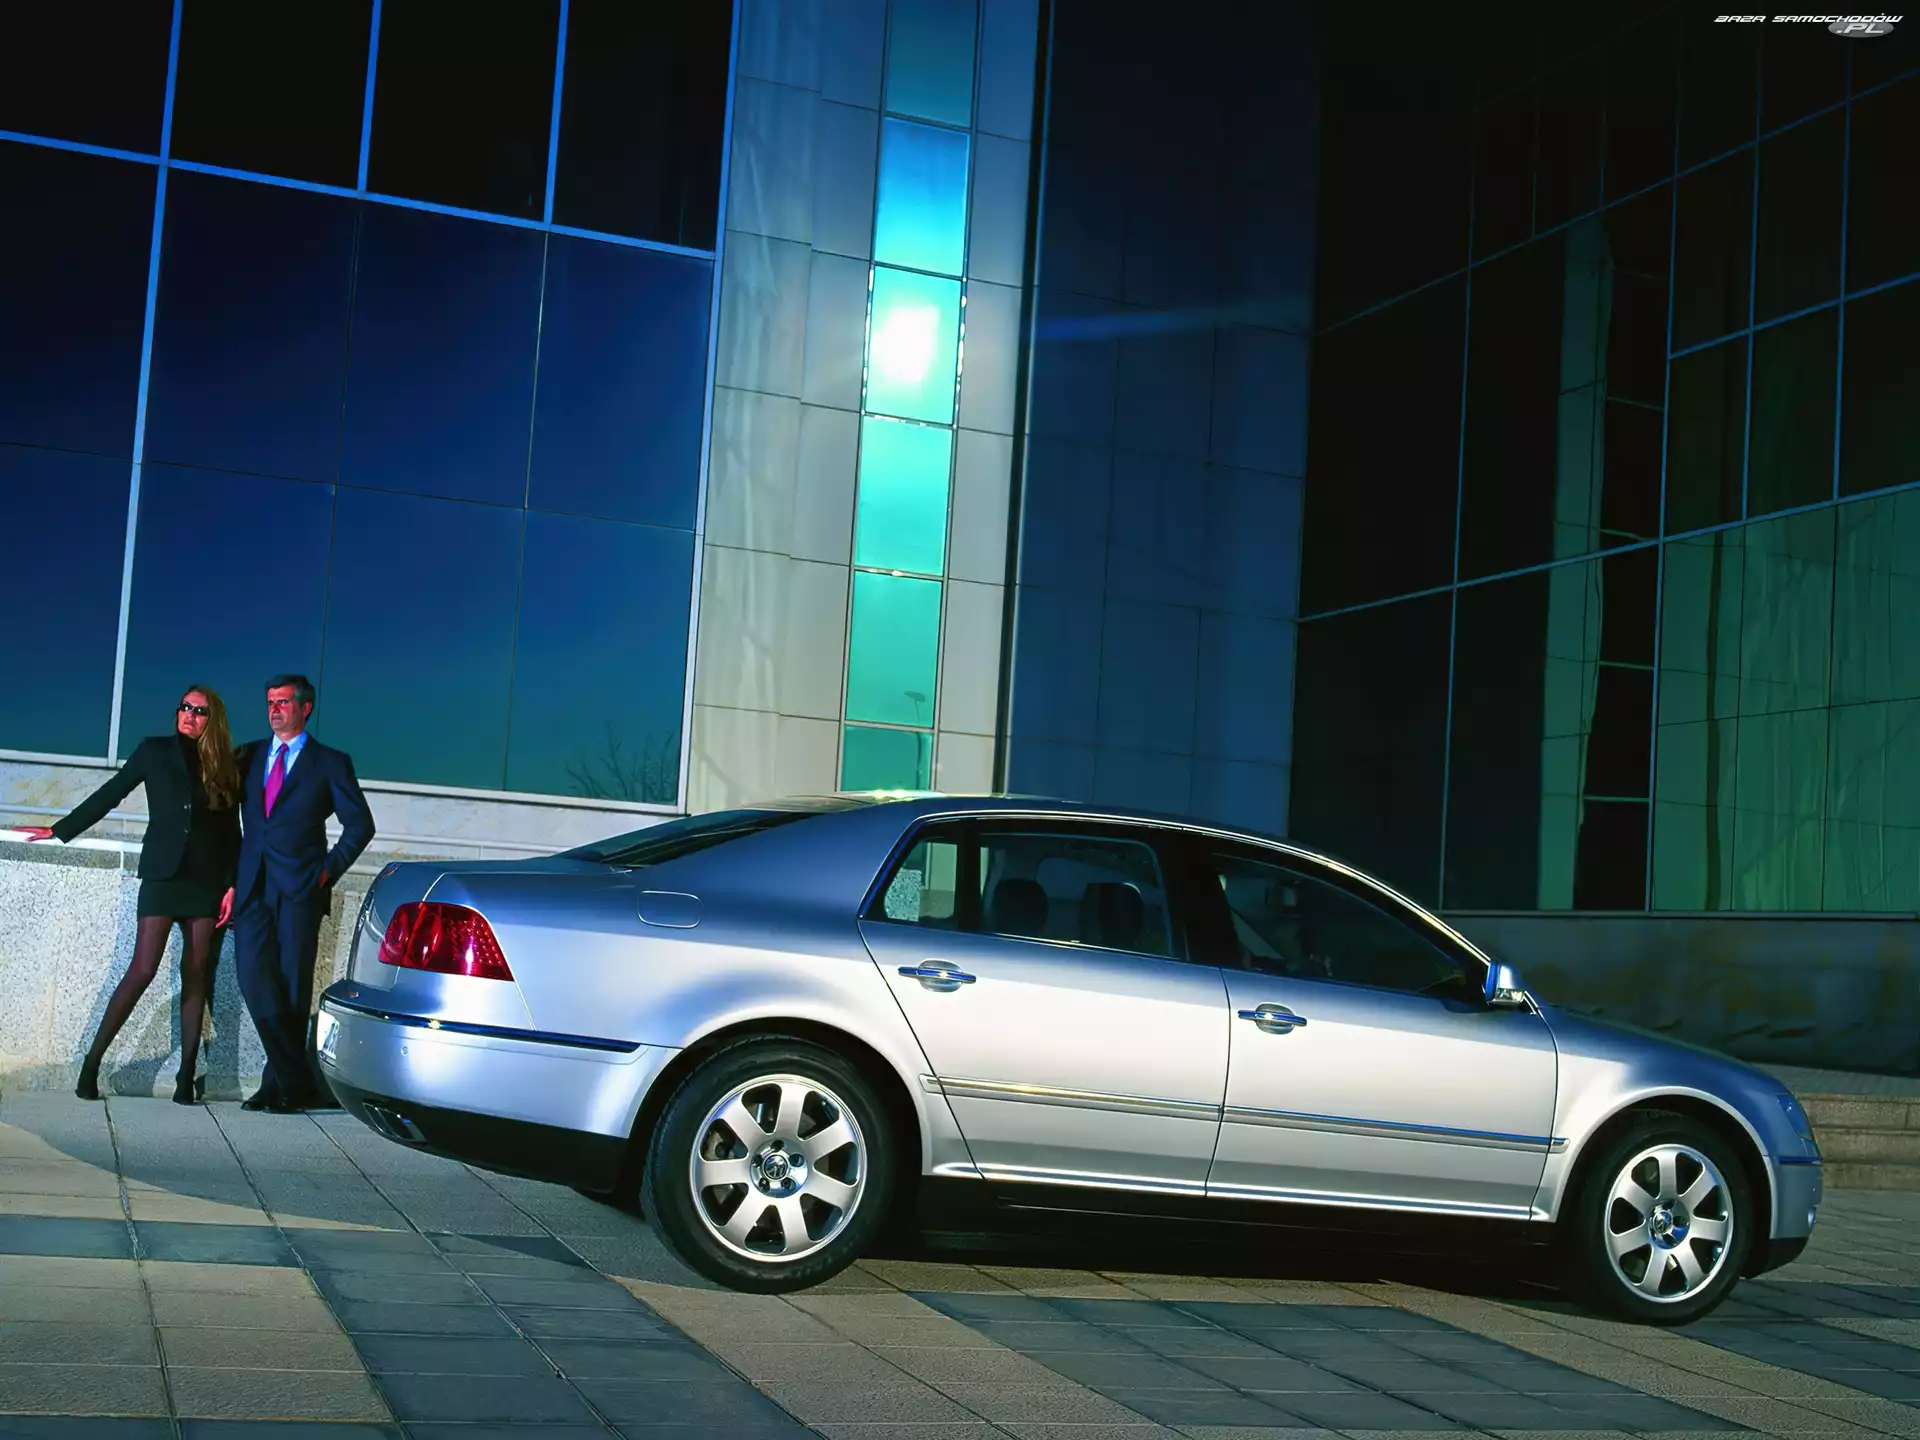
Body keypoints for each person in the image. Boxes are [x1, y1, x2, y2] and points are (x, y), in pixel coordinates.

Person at [23, 686, 246, 1105]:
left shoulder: (225, 766)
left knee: (196, 973)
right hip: (163, 877)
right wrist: (60, 829)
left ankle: (185, 1078)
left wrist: (232, 885)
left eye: (199, 711)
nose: (189, 715)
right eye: (184, 707)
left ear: (211, 719)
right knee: (142, 969)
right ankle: (91, 1066)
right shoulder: (154, 750)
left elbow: (232, 834)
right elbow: (111, 793)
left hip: (206, 882)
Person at [221, 674, 375, 1114]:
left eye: (284, 702)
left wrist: (325, 872)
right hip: (252, 886)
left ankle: (276, 1085)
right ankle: (297, 1080)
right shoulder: (248, 756)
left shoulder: (330, 762)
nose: (274, 709)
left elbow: (360, 825)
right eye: (270, 702)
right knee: (252, 976)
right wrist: (229, 881)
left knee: (290, 986)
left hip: (299, 889)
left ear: (305, 708)